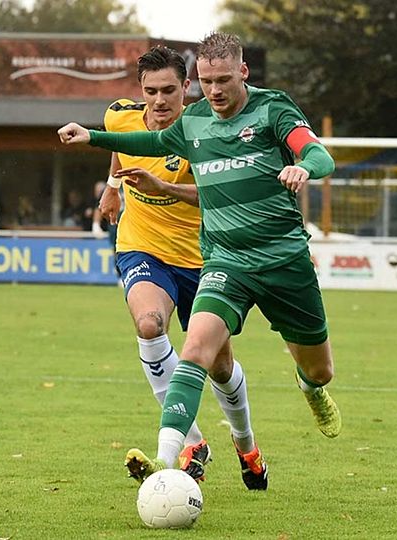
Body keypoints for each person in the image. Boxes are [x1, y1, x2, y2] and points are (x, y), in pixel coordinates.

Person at [59, 33, 341, 483]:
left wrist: (304, 165)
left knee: (320, 370)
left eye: (223, 80)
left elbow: (318, 152)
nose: (216, 91)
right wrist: (91, 137)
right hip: (225, 263)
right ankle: (168, 460)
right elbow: (148, 145)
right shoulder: (193, 123)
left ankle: (308, 388)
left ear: (243, 73)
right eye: (208, 81)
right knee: (192, 352)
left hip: (283, 261)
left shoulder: (273, 109)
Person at [93, 44, 268, 490]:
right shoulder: (118, 115)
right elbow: (118, 145)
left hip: (207, 257)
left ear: (186, 87)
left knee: (219, 366)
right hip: (143, 247)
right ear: (141, 90)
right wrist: (113, 187)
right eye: (150, 91)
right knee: (150, 326)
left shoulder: (208, 132)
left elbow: (216, 197)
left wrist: (162, 187)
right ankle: (190, 443)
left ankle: (245, 444)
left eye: (169, 90)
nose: (159, 100)